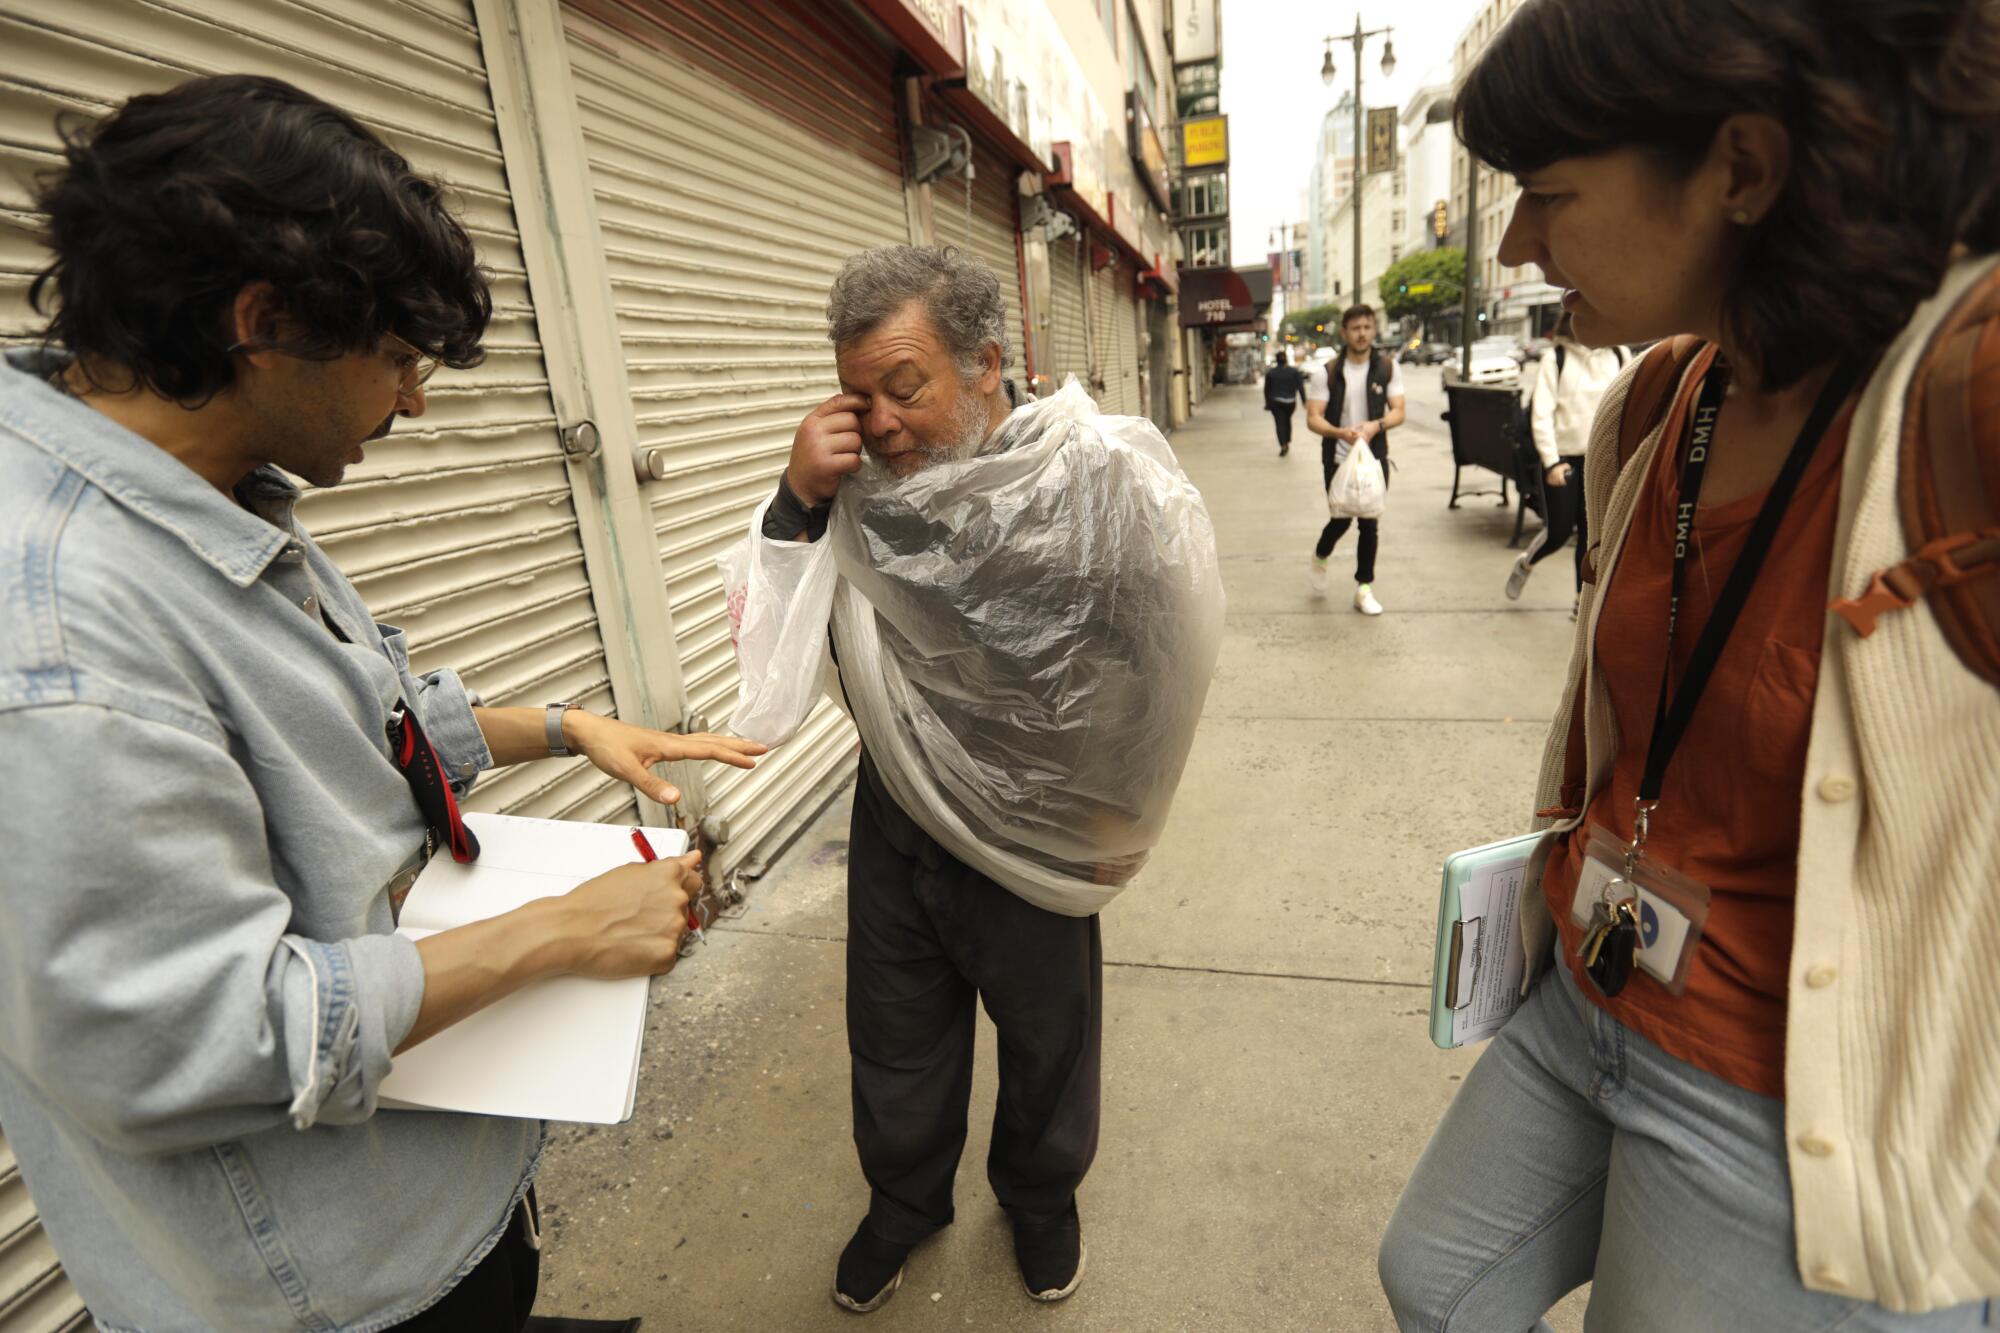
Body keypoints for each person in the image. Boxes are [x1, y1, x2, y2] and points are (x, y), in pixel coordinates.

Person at [0, 75, 767, 1333]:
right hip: (334, 1287)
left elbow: (349, 712)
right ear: (263, 319)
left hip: (420, 1188)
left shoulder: (206, 485)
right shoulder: (58, 627)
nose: (412, 401)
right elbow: (191, 1043)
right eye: (397, 358)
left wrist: (564, 725)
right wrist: (562, 931)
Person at [1380, 1, 2000, 1329]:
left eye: (1548, 195)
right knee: (1433, 1278)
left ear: (1743, 170)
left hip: (1780, 1092)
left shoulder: (1961, 397)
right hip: (1594, 986)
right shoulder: (1660, 402)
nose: (1514, 246)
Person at [759, 246, 1218, 1315]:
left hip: (1044, 827)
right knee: (894, 1030)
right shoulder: (856, 489)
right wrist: (792, 499)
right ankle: (905, 1201)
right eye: (856, 394)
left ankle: (1039, 1193)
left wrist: (1115, 806)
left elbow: (1163, 646)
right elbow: (772, 650)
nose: (877, 421)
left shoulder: (1090, 476)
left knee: (1047, 1035)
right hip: (900, 813)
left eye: (902, 388)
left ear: (985, 364)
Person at [1505, 312, 1630, 612]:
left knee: (1591, 535)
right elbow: (1542, 414)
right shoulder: (1556, 358)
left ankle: (1581, 601)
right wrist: (1551, 462)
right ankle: (1527, 562)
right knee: (1559, 532)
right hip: (1564, 459)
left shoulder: (1618, 353)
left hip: (1600, 459)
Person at [1305, 304, 1406, 614]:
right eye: (1355, 328)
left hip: (1374, 458)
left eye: (1367, 327)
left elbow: (1399, 411)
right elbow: (1313, 418)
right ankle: (1321, 555)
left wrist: (1377, 425)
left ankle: (1364, 588)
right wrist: (1339, 432)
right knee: (1341, 518)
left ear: (1373, 329)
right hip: (1337, 457)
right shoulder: (1328, 372)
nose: (1362, 333)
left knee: (1369, 521)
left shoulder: (1388, 367)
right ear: (1345, 332)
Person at [1264, 347, 1305, 455]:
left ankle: (1283, 444)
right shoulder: (1294, 372)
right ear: (1286, 359)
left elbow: (1267, 390)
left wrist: (1267, 403)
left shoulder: (1271, 373)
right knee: (1287, 421)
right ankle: (1287, 440)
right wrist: (1304, 401)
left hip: (1276, 402)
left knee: (1280, 423)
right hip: (1290, 402)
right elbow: (1300, 387)